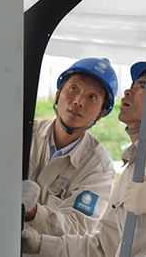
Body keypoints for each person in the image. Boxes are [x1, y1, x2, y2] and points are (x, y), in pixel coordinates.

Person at [22, 62, 146, 257]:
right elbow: (102, 250)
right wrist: (39, 243)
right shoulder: (130, 171)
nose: (128, 91)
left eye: (142, 86)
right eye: (132, 86)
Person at [22, 58, 118, 238]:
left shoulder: (98, 169)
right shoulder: (24, 133)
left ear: (101, 113)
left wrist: (34, 213)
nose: (78, 102)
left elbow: (78, 228)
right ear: (58, 94)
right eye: (74, 88)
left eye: (92, 97)